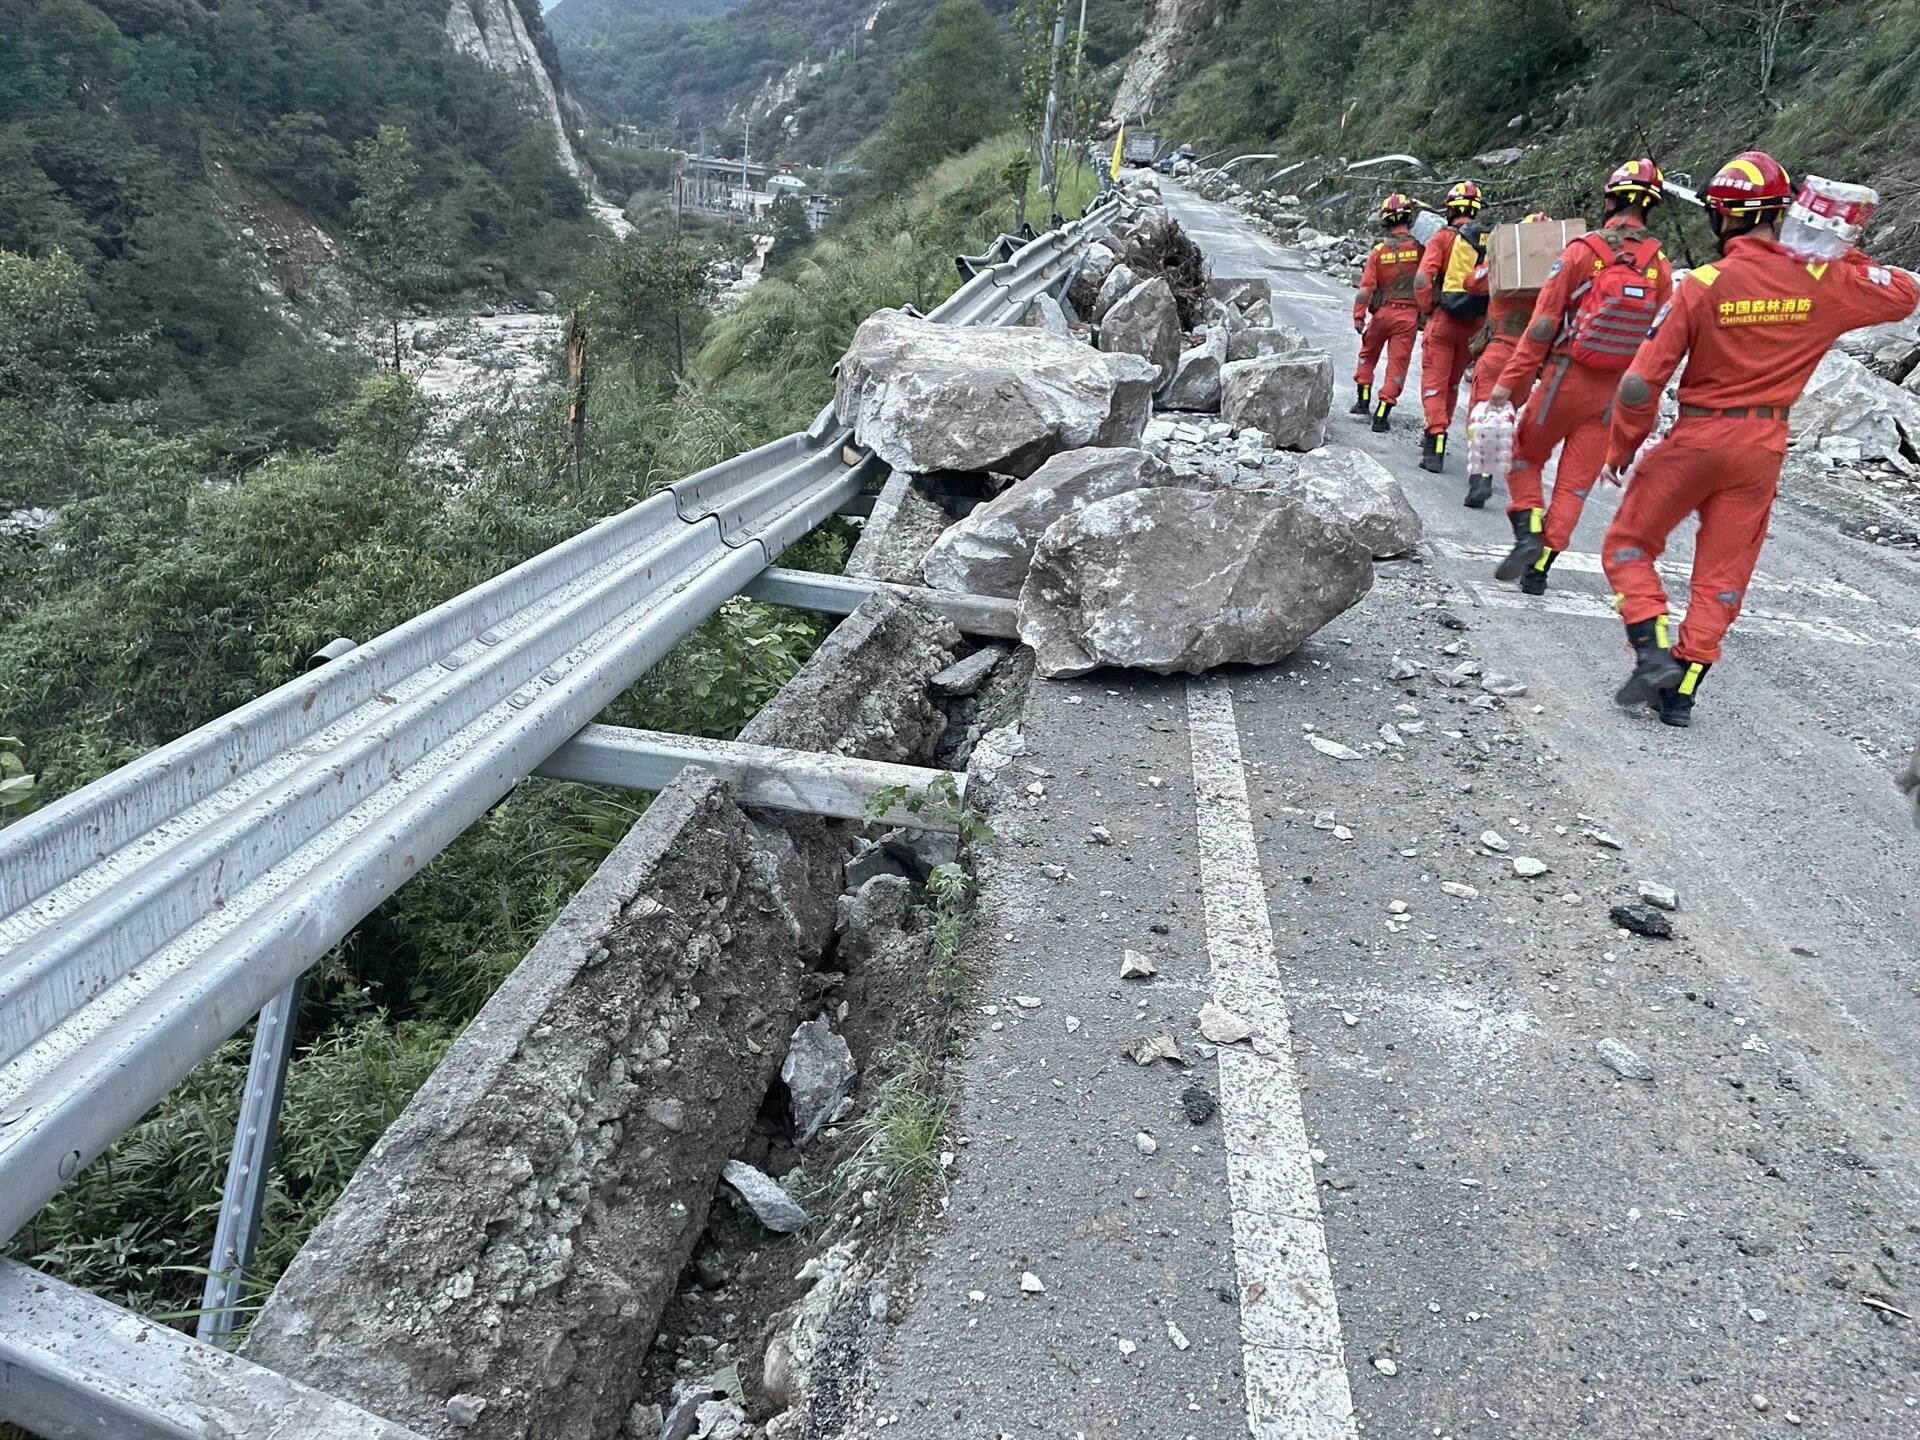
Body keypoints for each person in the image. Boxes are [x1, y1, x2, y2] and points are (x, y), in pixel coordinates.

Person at [1599, 150, 1918, 726]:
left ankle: (1650, 652)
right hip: (1762, 447)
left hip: (1696, 437)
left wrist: (1623, 445)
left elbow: (1641, 383)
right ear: (1785, 212)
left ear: (1721, 216)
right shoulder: (1826, 281)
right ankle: (1683, 691)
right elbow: (1903, 293)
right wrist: (1833, 249)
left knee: (1628, 545)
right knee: (1722, 576)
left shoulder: (1703, 285)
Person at [1486, 160, 1671, 593]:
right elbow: (1656, 350)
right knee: (1574, 485)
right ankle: (1540, 568)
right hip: (1613, 391)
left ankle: (1528, 530)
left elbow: (1543, 326)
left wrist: (1508, 383)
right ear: (1651, 208)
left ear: (1609, 199)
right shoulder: (1659, 267)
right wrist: (1636, 428)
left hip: (1566, 375)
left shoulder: (1581, 251)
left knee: (1524, 453)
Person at [1462, 211, 1551, 508]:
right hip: (1529, 360)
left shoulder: (1503, 263)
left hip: (1498, 351)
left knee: (1483, 411)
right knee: (1506, 415)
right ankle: (1495, 467)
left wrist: (1493, 261)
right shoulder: (1554, 274)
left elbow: (1470, 283)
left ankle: (1482, 475)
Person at [1412, 180, 1487, 470]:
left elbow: (1422, 279)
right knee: (1453, 383)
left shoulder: (1443, 237)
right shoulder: (1487, 241)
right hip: (1473, 326)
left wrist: (1427, 307)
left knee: (1434, 382)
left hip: (1443, 320)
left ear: (1449, 208)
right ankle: (1441, 429)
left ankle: (1435, 440)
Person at [1352, 194, 1423, 426]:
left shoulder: (1379, 251)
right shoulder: (1422, 249)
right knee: (1397, 364)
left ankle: (1363, 401)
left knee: (1367, 354)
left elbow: (1366, 288)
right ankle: (1382, 413)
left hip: (1382, 314)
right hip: (1408, 317)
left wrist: (1359, 315)